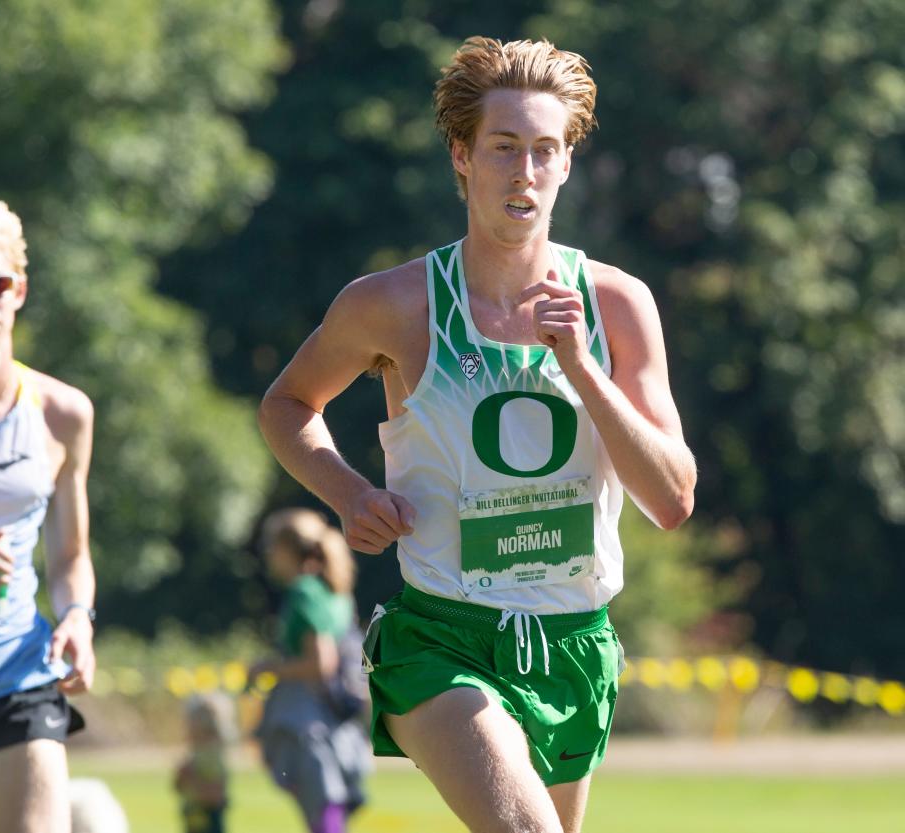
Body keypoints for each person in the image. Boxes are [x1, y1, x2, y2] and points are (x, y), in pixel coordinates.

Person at [258, 36, 697, 833]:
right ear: (462, 157)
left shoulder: (618, 305)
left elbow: (671, 498)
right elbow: (287, 404)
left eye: (544, 150)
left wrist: (584, 370)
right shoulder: (391, 304)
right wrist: (348, 491)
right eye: (503, 148)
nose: (523, 171)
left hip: (576, 641)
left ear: (567, 164)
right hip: (445, 638)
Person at [0, 190, 97, 833]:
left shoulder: (64, 413)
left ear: (21, 290)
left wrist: (76, 618)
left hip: (15, 678)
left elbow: (69, 555)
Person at [250, 508, 371, 833]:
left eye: (271, 546)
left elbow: (321, 662)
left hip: (309, 716)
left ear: (289, 549)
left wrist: (268, 668)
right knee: (330, 806)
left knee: (321, 804)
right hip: (336, 715)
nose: (269, 555)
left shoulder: (305, 591)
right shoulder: (335, 590)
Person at [173, 692, 235, 833]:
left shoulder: (213, 757)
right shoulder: (194, 755)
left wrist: (192, 778)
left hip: (209, 817)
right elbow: (177, 787)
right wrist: (181, 776)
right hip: (193, 817)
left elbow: (216, 795)